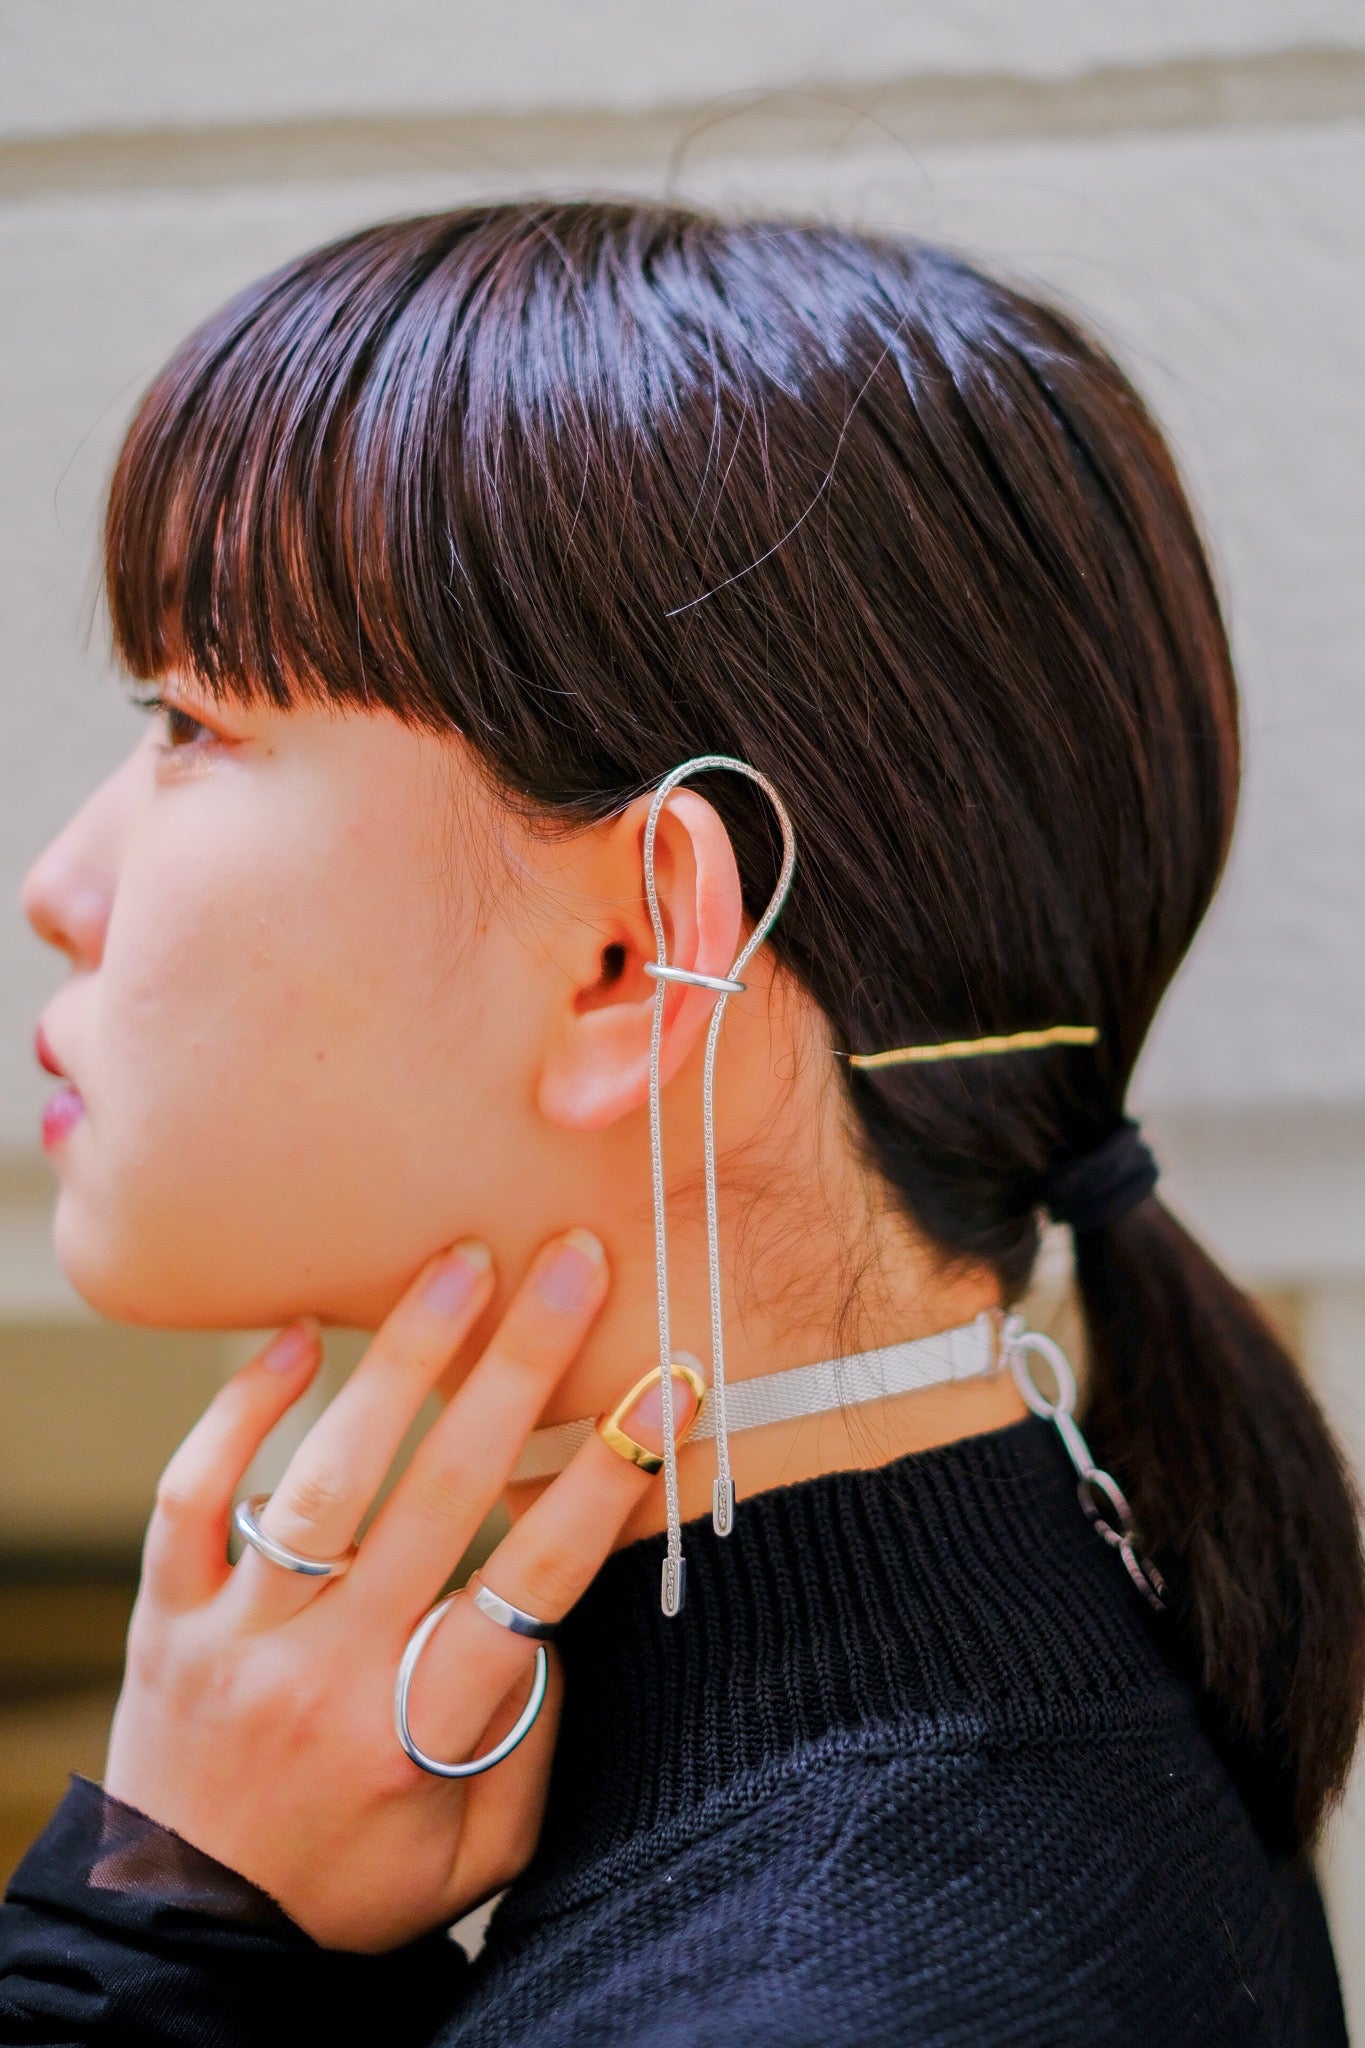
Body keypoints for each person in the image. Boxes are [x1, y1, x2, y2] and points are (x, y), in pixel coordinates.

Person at [1, 199, 1359, 2047]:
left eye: (192, 721)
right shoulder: (1045, 1657)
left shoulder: (837, 1991)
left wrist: (137, 1963)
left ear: (634, 959)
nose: (60, 884)